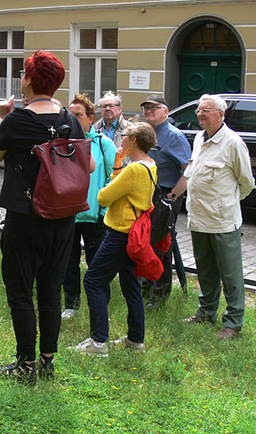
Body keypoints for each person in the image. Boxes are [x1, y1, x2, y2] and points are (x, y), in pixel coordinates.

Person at [0, 50, 85, 383]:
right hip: (62, 218)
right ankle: (47, 361)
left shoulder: (17, 119)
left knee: (19, 290)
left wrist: (0, 117)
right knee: (50, 290)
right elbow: (91, 165)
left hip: (26, 217)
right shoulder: (71, 119)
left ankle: (25, 365)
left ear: (28, 79)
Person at [70, 122, 157, 356]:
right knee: (131, 285)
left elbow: (104, 196)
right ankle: (135, 340)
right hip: (133, 235)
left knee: (93, 281)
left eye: (127, 135)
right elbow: (120, 185)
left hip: (120, 233)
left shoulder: (134, 170)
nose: (123, 138)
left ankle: (98, 342)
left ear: (135, 140)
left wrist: (119, 170)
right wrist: (118, 162)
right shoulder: (149, 165)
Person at [183, 94, 255, 340]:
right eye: (199, 111)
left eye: (207, 110)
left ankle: (233, 323)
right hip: (198, 218)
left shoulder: (233, 142)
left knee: (231, 274)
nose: (201, 115)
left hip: (223, 221)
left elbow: (246, 183)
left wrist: (227, 203)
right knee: (206, 270)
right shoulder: (200, 139)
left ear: (221, 114)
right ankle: (206, 312)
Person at [61, 93, 116, 320]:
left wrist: (104, 209)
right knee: (68, 262)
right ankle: (71, 304)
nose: (72, 119)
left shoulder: (104, 144)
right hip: (69, 216)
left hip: (96, 217)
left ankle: (101, 304)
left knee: (97, 264)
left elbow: (114, 177)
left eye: (78, 115)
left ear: (90, 118)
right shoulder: (63, 143)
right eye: (70, 115)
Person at [140, 95, 192, 309]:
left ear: (166, 110)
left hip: (165, 195)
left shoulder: (173, 136)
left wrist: (172, 197)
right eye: (146, 108)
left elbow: (188, 171)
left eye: (154, 108)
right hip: (146, 194)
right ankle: (144, 289)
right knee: (144, 242)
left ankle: (159, 296)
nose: (149, 111)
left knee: (161, 244)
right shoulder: (147, 132)